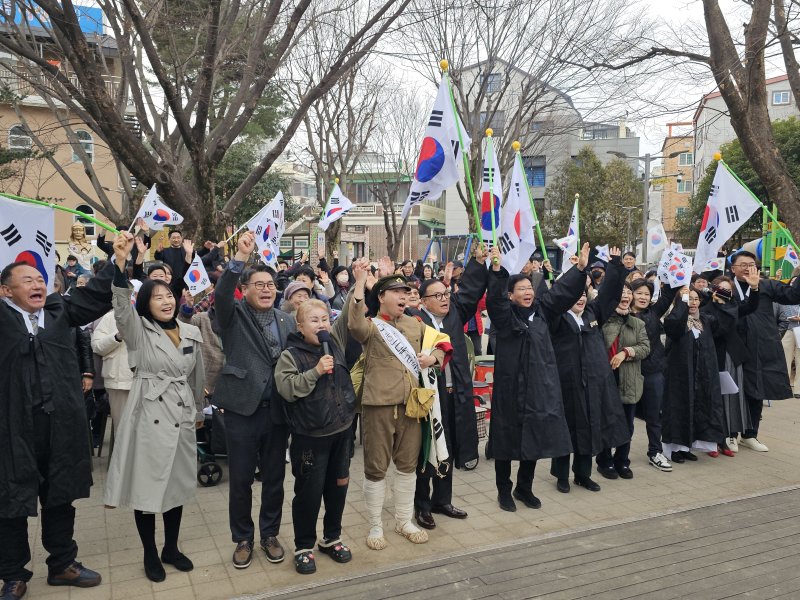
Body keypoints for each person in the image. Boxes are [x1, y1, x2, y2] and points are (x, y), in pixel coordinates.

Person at [0, 236, 128, 598]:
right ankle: (13, 574)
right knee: (9, 502)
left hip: (59, 425)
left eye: (40, 279)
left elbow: (91, 297)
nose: (38, 284)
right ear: (6, 291)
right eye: (27, 280)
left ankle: (62, 564)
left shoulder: (58, 311)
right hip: (11, 429)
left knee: (60, 495)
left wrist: (117, 261)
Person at [104, 234, 206, 583]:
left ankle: (171, 547)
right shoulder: (137, 330)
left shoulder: (191, 331)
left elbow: (198, 376)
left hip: (180, 414)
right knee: (147, 490)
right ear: (145, 304)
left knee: (176, 487)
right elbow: (120, 308)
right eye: (157, 297)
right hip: (148, 413)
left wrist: (199, 412)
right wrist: (121, 266)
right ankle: (150, 552)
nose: (165, 301)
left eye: (169, 295)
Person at [347, 258, 447, 550]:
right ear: (380, 297)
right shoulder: (372, 326)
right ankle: (375, 525)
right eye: (397, 293)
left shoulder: (416, 324)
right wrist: (358, 283)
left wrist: (434, 358)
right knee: (375, 468)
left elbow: (440, 342)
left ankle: (404, 521)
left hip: (412, 404)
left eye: (406, 292)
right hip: (378, 404)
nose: (404, 297)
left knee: (407, 466)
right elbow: (354, 326)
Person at [214, 232, 295, 568]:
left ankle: (270, 534)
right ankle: (243, 538)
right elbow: (220, 294)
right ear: (244, 290)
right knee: (242, 479)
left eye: (270, 284)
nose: (266, 289)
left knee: (275, 478)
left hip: (277, 411)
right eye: (258, 284)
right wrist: (238, 260)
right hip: (241, 410)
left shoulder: (287, 320)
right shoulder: (232, 315)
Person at [487, 244, 589, 510]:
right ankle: (504, 491)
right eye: (521, 289)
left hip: (539, 389)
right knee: (506, 442)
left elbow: (562, 293)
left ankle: (524, 488)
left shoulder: (542, 313)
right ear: (510, 296)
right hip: (511, 391)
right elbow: (494, 303)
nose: (528, 292)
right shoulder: (506, 319)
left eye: (529, 288)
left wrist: (579, 270)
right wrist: (497, 271)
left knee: (533, 439)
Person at [275, 299, 356, 574]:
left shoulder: (333, 343)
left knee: (338, 490)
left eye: (324, 318)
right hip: (310, 437)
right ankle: (304, 547)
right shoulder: (291, 354)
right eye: (314, 320)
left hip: (341, 433)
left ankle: (332, 538)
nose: (321, 324)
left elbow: (349, 314)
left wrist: (358, 285)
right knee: (309, 493)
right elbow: (287, 389)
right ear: (300, 326)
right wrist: (316, 371)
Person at [412, 247, 488, 528]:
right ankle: (422, 505)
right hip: (430, 397)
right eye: (437, 296)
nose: (445, 299)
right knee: (428, 449)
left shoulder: (455, 313)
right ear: (423, 302)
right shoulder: (415, 322)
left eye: (446, 294)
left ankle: (442, 500)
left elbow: (470, 292)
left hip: (457, 394)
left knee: (451, 447)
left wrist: (478, 263)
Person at [548, 248, 630, 494]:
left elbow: (609, 294)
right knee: (567, 431)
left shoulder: (593, 314)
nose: (581, 299)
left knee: (589, 429)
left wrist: (615, 266)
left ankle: (583, 474)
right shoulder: (556, 318)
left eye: (583, 294)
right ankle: (562, 476)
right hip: (566, 384)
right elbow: (556, 299)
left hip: (593, 384)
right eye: (576, 295)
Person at [730, 251, 800, 451]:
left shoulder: (767, 285)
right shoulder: (728, 287)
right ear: (733, 268)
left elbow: (793, 295)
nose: (747, 267)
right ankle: (730, 434)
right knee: (733, 391)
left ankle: (750, 434)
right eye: (742, 264)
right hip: (733, 347)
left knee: (756, 390)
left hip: (761, 346)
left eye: (751, 264)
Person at [661, 288, 728, 461]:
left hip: (701, 375)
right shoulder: (674, 320)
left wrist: (718, 300)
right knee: (678, 408)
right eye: (688, 299)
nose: (693, 302)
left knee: (697, 408)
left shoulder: (705, 320)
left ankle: (686, 446)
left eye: (696, 299)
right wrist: (681, 300)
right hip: (679, 375)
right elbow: (675, 326)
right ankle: (673, 449)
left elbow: (724, 326)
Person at [596, 284, 650, 479]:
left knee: (627, 424)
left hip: (629, 380)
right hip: (606, 379)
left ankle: (622, 461)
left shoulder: (638, 323)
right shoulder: (603, 321)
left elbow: (645, 347)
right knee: (607, 422)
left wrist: (626, 352)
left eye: (628, 293)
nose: (625, 296)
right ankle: (604, 461)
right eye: (621, 293)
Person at [705, 274, 760, 454]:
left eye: (728, 289)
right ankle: (713, 440)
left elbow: (751, 306)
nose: (724, 292)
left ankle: (729, 436)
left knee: (734, 397)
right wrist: (717, 305)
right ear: (713, 289)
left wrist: (754, 289)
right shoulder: (706, 308)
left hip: (734, 356)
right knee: (714, 399)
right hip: (714, 357)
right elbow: (716, 330)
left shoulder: (734, 306)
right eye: (721, 288)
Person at [628, 278, 678, 471]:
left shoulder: (654, 312)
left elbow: (668, 293)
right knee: (627, 417)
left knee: (654, 416)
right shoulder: (620, 314)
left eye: (647, 294)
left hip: (653, 372)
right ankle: (621, 455)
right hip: (629, 373)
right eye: (638, 293)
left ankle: (655, 452)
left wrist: (673, 268)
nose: (642, 297)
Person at [776, 290, 800, 399]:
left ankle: (798, 389)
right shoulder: (786, 294)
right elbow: (782, 313)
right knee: (784, 359)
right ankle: (784, 387)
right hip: (788, 330)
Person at [154, 230, 194, 297]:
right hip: (170, 284)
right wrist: (158, 251)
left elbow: (199, 256)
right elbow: (158, 257)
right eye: (173, 238)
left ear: (181, 238)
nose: (176, 240)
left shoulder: (187, 251)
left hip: (185, 283)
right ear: (169, 239)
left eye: (178, 237)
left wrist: (206, 249)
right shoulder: (165, 251)